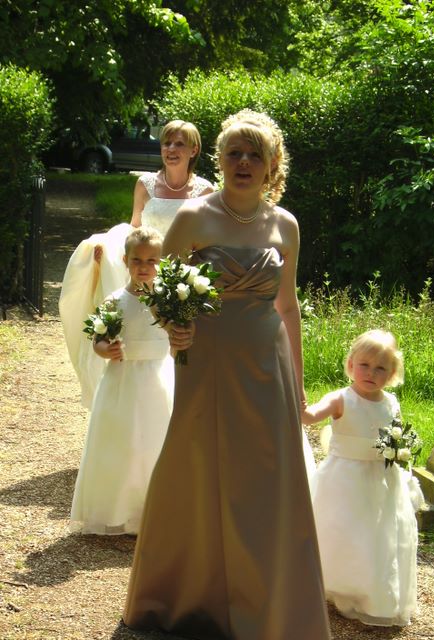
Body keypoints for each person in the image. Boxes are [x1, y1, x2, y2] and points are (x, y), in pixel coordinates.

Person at [122, 109, 331, 640]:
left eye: (254, 154)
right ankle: (192, 595)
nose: (243, 162)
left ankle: (267, 599)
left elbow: (288, 306)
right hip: (206, 360)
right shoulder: (194, 217)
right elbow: (161, 287)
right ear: (219, 159)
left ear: (272, 165)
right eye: (234, 152)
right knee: (196, 464)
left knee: (265, 475)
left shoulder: (286, 225)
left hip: (267, 362)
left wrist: (298, 382)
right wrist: (175, 326)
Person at [59, 120, 214, 409]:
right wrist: (107, 249)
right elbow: (134, 231)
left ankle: (175, 408)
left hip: (181, 282)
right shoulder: (145, 185)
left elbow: (206, 244)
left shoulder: (205, 192)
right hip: (144, 274)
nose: (171, 149)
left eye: (179, 144)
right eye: (166, 143)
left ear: (194, 150)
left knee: (176, 348)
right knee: (138, 342)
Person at [303, 329, 424, 627]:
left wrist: (400, 455)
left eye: (381, 368)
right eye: (364, 365)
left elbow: (394, 435)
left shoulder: (391, 402)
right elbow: (311, 416)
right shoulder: (340, 399)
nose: (371, 373)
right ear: (350, 365)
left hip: (381, 480)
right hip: (343, 479)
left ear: (392, 373)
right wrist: (298, 401)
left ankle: (370, 592)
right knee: (341, 530)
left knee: (376, 535)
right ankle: (336, 582)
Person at [70, 227, 174, 535]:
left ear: (161, 262)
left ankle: (154, 511)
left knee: (155, 442)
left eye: (152, 260)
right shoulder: (114, 301)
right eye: (137, 260)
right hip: (123, 380)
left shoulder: (167, 300)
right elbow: (98, 340)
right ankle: (120, 510)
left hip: (159, 378)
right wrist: (106, 349)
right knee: (123, 442)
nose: (144, 267)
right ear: (125, 261)